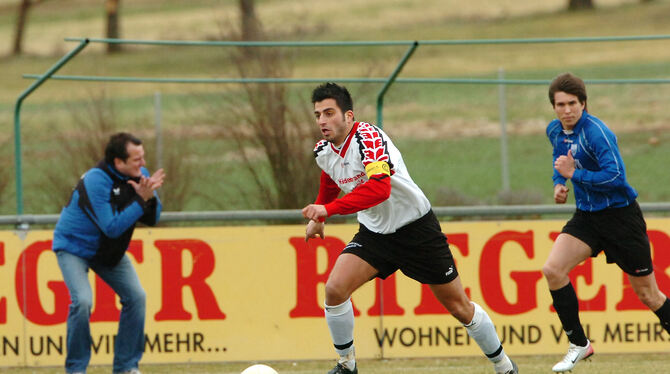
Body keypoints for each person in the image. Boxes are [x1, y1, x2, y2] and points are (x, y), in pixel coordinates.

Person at [301, 82, 518, 374]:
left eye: (329, 113)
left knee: (459, 307)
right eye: (318, 115)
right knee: (335, 289)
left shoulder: (368, 137)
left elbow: (380, 189)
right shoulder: (324, 151)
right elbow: (330, 179)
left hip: (416, 230)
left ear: (348, 116)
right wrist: (320, 215)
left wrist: (327, 210)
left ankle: (504, 366)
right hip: (375, 234)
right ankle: (346, 365)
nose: (323, 121)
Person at [542, 73, 670, 373]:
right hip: (587, 218)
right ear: (554, 107)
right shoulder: (555, 131)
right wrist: (559, 183)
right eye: (560, 104)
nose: (567, 110)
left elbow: (616, 178)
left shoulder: (597, 132)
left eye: (573, 103)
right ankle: (579, 344)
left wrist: (575, 176)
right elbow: (561, 161)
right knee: (552, 270)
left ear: (583, 104)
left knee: (649, 295)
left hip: (620, 218)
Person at [52, 132, 165, 374]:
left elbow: (153, 219)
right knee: (82, 302)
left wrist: (149, 198)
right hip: (74, 247)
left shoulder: (139, 176)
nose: (143, 164)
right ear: (118, 163)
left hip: (106, 251)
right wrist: (139, 200)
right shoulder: (96, 180)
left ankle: (126, 367)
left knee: (137, 298)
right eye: (137, 160)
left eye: (143, 157)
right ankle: (76, 370)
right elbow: (112, 228)